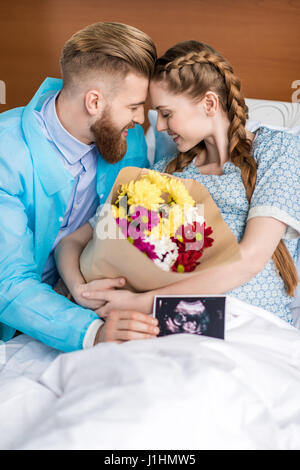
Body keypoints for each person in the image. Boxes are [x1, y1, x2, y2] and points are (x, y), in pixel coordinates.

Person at [55, 40, 300, 342]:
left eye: (167, 113)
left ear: (209, 104)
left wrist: (142, 302)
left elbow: (250, 259)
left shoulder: (279, 150)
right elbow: (73, 241)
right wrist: (81, 290)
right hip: (176, 321)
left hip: (248, 320)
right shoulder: (165, 171)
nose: (159, 127)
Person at [0, 22, 160, 352]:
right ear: (94, 102)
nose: (141, 119)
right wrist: (94, 332)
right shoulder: (6, 155)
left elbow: (128, 223)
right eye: (133, 106)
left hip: (88, 291)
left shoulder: (127, 141)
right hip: (18, 314)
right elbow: (8, 283)